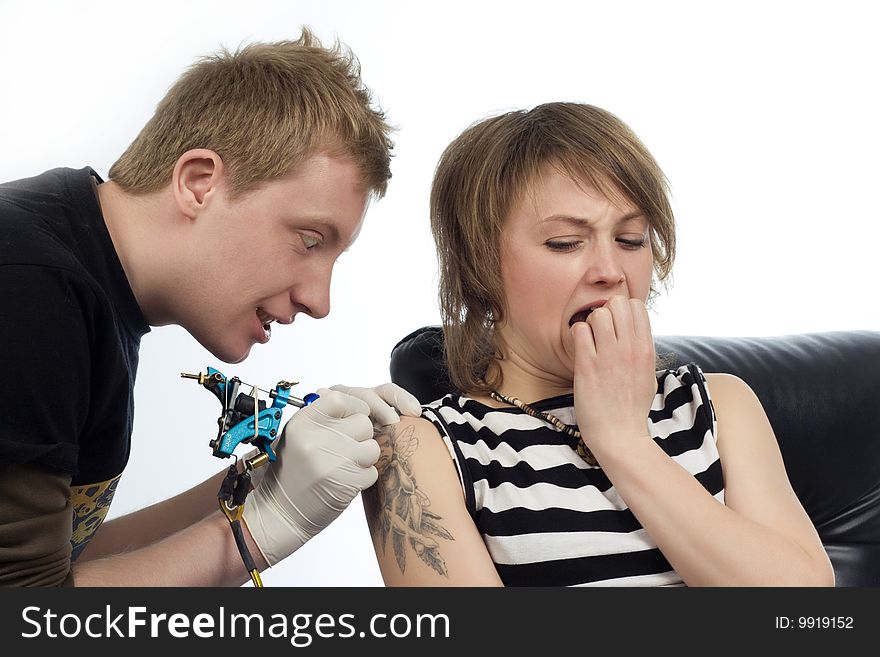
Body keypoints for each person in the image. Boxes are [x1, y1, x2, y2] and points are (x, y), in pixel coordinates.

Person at [0, 28, 422, 587]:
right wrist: (257, 532)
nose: (320, 301)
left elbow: (68, 559)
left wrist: (258, 483)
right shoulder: (30, 287)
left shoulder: (79, 273)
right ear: (198, 183)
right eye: (310, 240)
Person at [363, 102, 834, 586]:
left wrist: (624, 441)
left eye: (631, 239)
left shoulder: (719, 404)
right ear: (477, 266)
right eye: (566, 242)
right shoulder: (417, 449)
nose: (611, 272)